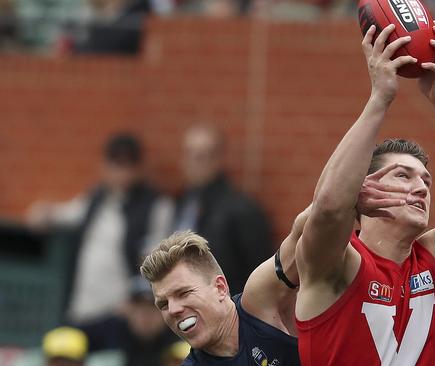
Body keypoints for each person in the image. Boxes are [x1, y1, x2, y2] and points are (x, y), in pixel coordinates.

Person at [294, 22, 435, 366]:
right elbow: (329, 207)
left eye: (426, 181)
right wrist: (380, 98)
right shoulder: (339, 262)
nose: (419, 187)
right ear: (363, 191)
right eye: (403, 175)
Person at [140, 171, 410, 365]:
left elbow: (304, 230)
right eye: (163, 304)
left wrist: (350, 195)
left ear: (220, 287)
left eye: (183, 293)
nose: (173, 309)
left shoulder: (260, 303)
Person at [27, 133, 173, 324]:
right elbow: (68, 214)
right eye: (116, 164)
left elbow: (157, 258)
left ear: (138, 168)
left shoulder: (156, 205)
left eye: (127, 165)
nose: (121, 172)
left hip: (120, 312)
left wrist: (138, 298)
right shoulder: (96, 198)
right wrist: (45, 213)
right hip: (82, 308)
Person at [172, 124, 274, 294]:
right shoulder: (181, 201)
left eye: (201, 157)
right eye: (189, 155)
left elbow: (259, 269)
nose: (193, 164)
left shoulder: (241, 209)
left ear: (218, 159)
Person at [78, 276, 178, 366]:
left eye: (153, 307)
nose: (146, 315)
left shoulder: (180, 334)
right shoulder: (109, 330)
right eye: (139, 307)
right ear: (126, 309)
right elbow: (71, 332)